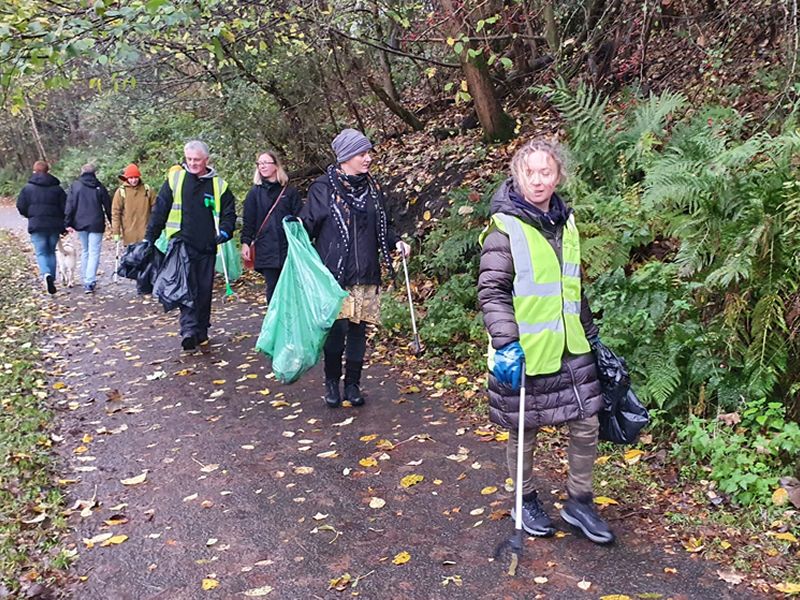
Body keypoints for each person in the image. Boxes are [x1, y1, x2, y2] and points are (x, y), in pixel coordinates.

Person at [477, 138, 614, 545]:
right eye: (530, 172)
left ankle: (580, 501)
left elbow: (572, 285)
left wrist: (591, 336)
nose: (538, 181)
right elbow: (492, 291)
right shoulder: (505, 227)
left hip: (571, 344)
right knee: (525, 429)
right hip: (524, 350)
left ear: (558, 176)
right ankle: (524, 498)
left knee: (587, 421)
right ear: (518, 175)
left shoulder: (566, 222)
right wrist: (505, 343)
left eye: (546, 172)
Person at [300, 128, 410, 408]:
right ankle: (331, 382)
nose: (369, 158)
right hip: (335, 277)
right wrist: (293, 230)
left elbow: (384, 224)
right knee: (336, 333)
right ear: (346, 157)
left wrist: (397, 242)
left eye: (368, 152)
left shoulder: (372, 188)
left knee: (359, 331)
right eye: (363, 153)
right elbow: (306, 227)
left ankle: (353, 384)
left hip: (367, 273)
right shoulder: (323, 188)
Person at [144, 140, 236, 352]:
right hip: (181, 243)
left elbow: (229, 214)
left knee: (203, 291)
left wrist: (224, 231)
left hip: (207, 246)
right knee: (184, 288)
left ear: (207, 160)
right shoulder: (175, 179)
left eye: (197, 160)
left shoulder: (219, 185)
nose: (192, 164)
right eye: (189, 159)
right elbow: (161, 209)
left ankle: (201, 331)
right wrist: (150, 237)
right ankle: (188, 330)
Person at [240, 151, 302, 303]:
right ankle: (274, 324)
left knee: (293, 289)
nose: (262, 166)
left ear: (275, 166)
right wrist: (246, 243)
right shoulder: (254, 193)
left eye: (266, 162)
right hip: (266, 248)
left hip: (288, 248)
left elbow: (300, 218)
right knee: (273, 289)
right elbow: (249, 221)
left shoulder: (289, 192)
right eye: (260, 163)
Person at [16, 160, 67, 294]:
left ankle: (46, 274)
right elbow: (65, 207)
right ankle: (52, 278)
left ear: (34, 171)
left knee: (41, 252)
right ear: (48, 171)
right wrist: (63, 222)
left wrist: (30, 215)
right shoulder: (57, 189)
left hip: (37, 225)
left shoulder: (27, 188)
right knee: (51, 252)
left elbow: (21, 206)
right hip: (54, 226)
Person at [65, 163, 112, 293]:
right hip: (96, 223)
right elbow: (108, 205)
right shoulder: (99, 186)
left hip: (80, 223)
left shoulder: (75, 186)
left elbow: (70, 205)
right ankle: (89, 281)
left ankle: (86, 277)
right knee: (94, 251)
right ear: (94, 173)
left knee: (85, 251)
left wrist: (67, 222)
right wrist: (113, 223)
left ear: (82, 172)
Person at [111, 163, 156, 293]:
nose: (133, 180)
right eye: (131, 178)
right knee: (134, 259)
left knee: (146, 258)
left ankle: (145, 284)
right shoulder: (121, 192)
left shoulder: (147, 190)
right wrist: (116, 231)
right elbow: (116, 213)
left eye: (135, 177)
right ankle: (140, 282)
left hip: (146, 230)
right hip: (129, 232)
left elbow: (155, 208)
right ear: (126, 178)